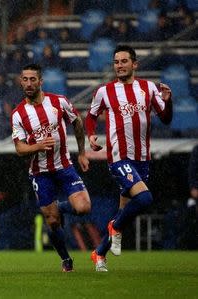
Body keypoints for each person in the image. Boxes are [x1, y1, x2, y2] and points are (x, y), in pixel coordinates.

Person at [85, 45, 173, 271]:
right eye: (116, 62)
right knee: (145, 199)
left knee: (125, 210)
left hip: (142, 158)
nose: (119, 66)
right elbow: (91, 116)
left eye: (124, 61)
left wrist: (168, 100)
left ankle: (99, 253)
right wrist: (91, 135)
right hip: (118, 157)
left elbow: (165, 117)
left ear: (134, 64)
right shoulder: (105, 91)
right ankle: (114, 227)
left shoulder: (148, 88)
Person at [11, 63, 91, 272]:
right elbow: (20, 148)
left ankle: (61, 208)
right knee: (52, 222)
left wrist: (82, 152)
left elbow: (77, 122)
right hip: (40, 173)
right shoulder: (19, 114)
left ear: (40, 82)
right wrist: (38, 146)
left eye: (32, 79)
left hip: (64, 166)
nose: (28, 83)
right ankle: (66, 259)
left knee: (83, 208)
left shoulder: (59, 102)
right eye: (25, 79)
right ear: (21, 82)